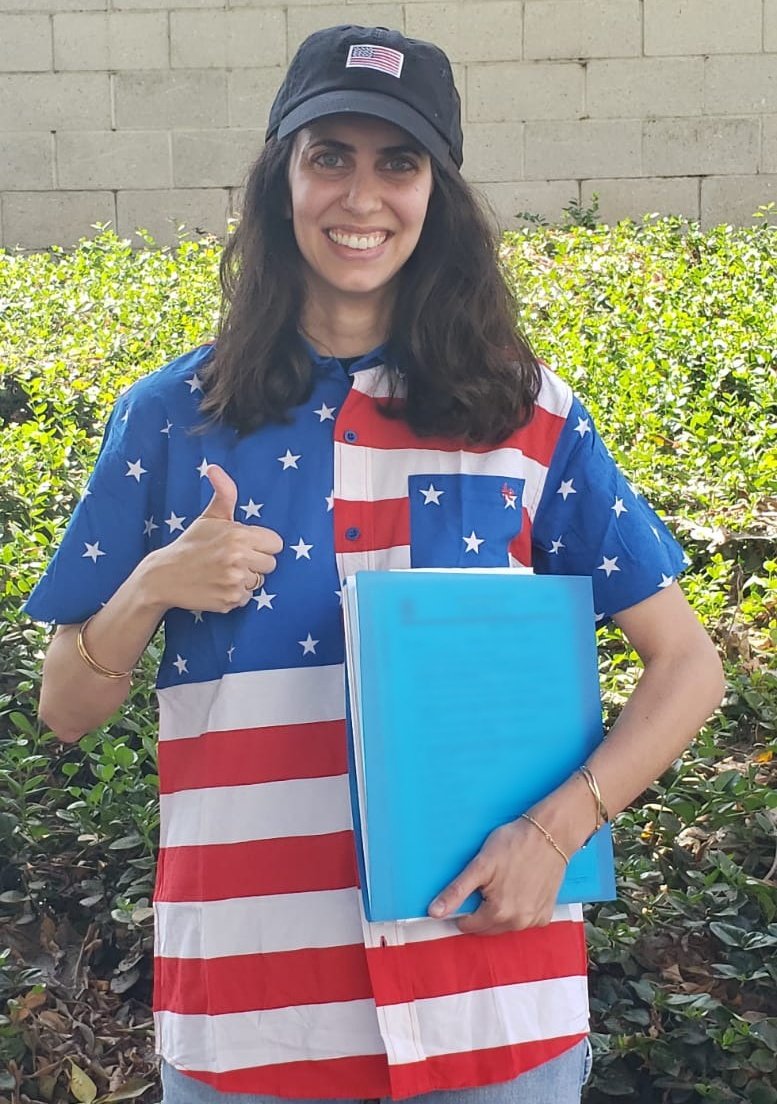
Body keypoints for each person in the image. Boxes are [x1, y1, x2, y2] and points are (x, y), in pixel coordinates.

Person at [25, 23, 724, 1104]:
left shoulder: (528, 413)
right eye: (329, 157)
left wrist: (558, 832)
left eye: (398, 162)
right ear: (281, 180)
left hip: (492, 1001)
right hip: (253, 1011)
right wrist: (152, 586)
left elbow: (689, 665)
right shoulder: (170, 417)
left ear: (438, 193)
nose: (362, 197)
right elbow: (64, 708)